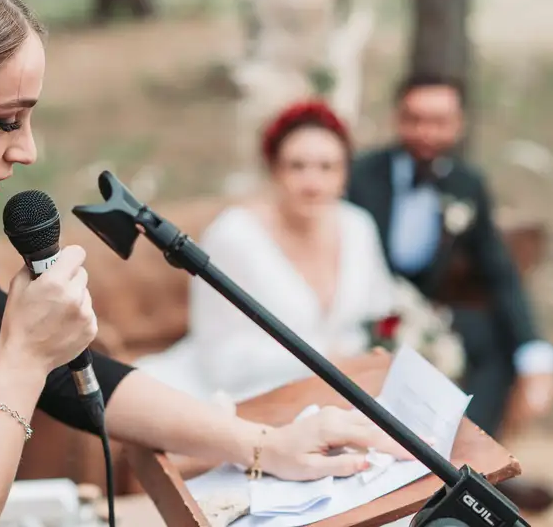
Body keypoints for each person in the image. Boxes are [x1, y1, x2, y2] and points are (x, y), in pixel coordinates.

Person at [0, 0, 411, 526]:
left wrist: (262, 444)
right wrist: (20, 357)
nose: (27, 150)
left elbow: (67, 376)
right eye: (4, 121)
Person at [347, 73, 553, 511]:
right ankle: (415, 483)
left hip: (429, 313)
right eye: (415, 119)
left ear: (458, 124)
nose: (426, 132)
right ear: (398, 118)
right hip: (366, 307)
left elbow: (499, 270)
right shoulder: (362, 175)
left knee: (491, 341)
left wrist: (534, 351)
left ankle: (470, 473)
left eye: (439, 121)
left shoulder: (466, 183)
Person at [135, 101, 397, 404]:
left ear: (345, 174)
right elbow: (220, 359)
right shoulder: (233, 235)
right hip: (241, 396)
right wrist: (324, 360)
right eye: (297, 166)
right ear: (274, 170)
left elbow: (381, 310)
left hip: (340, 393)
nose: (313, 183)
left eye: (327, 167)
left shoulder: (358, 226)